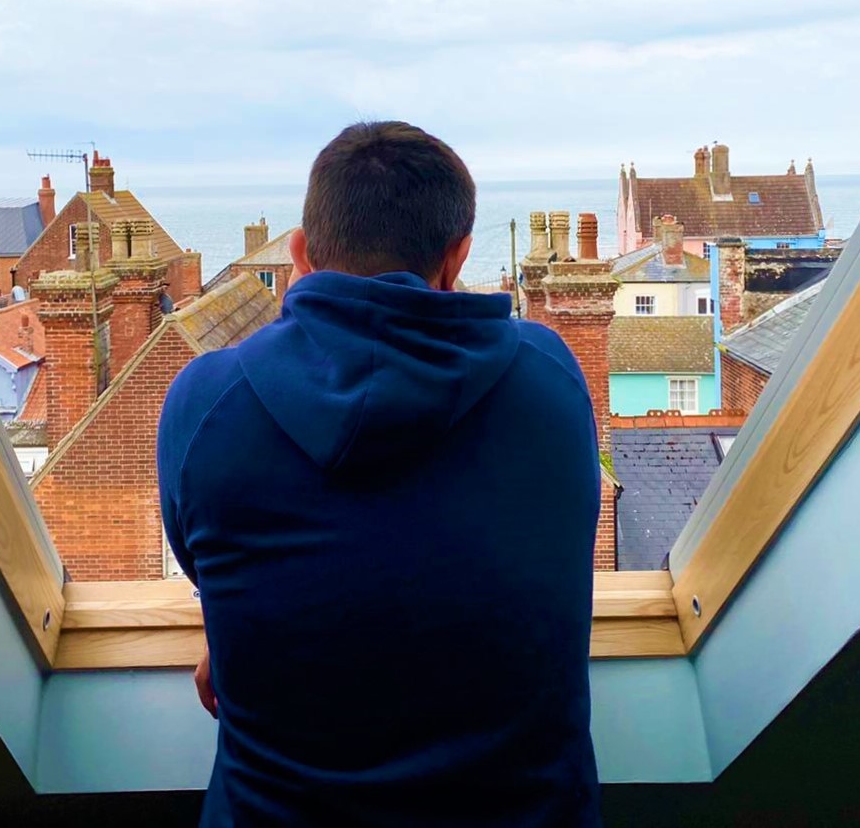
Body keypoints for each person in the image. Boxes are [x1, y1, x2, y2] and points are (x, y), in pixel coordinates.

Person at [158, 121, 601, 826]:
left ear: (300, 253)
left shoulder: (208, 403)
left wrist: (244, 634)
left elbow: (210, 560)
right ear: (457, 259)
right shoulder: (548, 380)